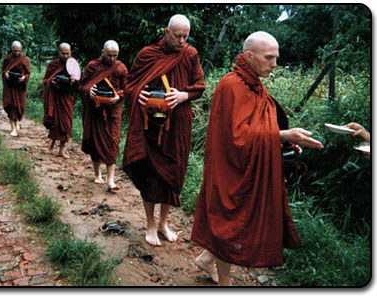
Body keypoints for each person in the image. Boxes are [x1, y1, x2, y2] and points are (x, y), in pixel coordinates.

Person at [190, 31, 324, 286]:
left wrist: (283, 140)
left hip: (246, 163)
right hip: (228, 166)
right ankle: (226, 284)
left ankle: (207, 260)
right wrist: (281, 134)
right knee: (228, 221)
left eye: (276, 57)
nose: (275, 63)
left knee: (237, 218)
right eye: (269, 57)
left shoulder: (253, 82)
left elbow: (259, 125)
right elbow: (238, 136)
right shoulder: (231, 85)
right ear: (249, 56)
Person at [122, 14, 206, 246]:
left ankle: (163, 223)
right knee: (149, 174)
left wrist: (183, 95)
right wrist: (137, 93)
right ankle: (150, 224)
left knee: (172, 174)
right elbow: (129, 85)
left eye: (185, 37)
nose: (181, 41)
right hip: (149, 125)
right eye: (177, 35)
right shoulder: (147, 54)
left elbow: (199, 86)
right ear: (166, 32)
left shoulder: (190, 55)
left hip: (177, 125)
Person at [79, 40, 128, 191]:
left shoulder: (121, 68)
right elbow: (82, 86)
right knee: (95, 141)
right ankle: (97, 174)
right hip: (96, 111)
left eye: (115, 55)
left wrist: (118, 96)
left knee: (113, 142)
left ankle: (111, 180)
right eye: (109, 55)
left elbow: (127, 89)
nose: (112, 59)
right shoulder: (93, 66)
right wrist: (89, 90)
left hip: (113, 111)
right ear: (102, 52)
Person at [43, 43, 79, 159]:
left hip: (66, 98)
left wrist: (74, 81)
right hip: (55, 97)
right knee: (55, 123)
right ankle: (51, 145)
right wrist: (51, 82)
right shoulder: (52, 65)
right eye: (63, 53)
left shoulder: (73, 65)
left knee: (66, 124)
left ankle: (62, 149)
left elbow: (79, 84)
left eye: (68, 53)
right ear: (58, 53)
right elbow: (45, 80)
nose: (65, 56)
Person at [1, 41, 31, 137]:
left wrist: (24, 78)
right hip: (10, 87)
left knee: (19, 106)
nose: (17, 53)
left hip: (19, 87)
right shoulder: (8, 59)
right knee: (10, 106)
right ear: (11, 49)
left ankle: (16, 122)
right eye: (15, 51)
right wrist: (5, 74)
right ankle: (13, 128)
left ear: (21, 49)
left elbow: (27, 73)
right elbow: (3, 71)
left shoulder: (24, 59)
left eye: (18, 51)